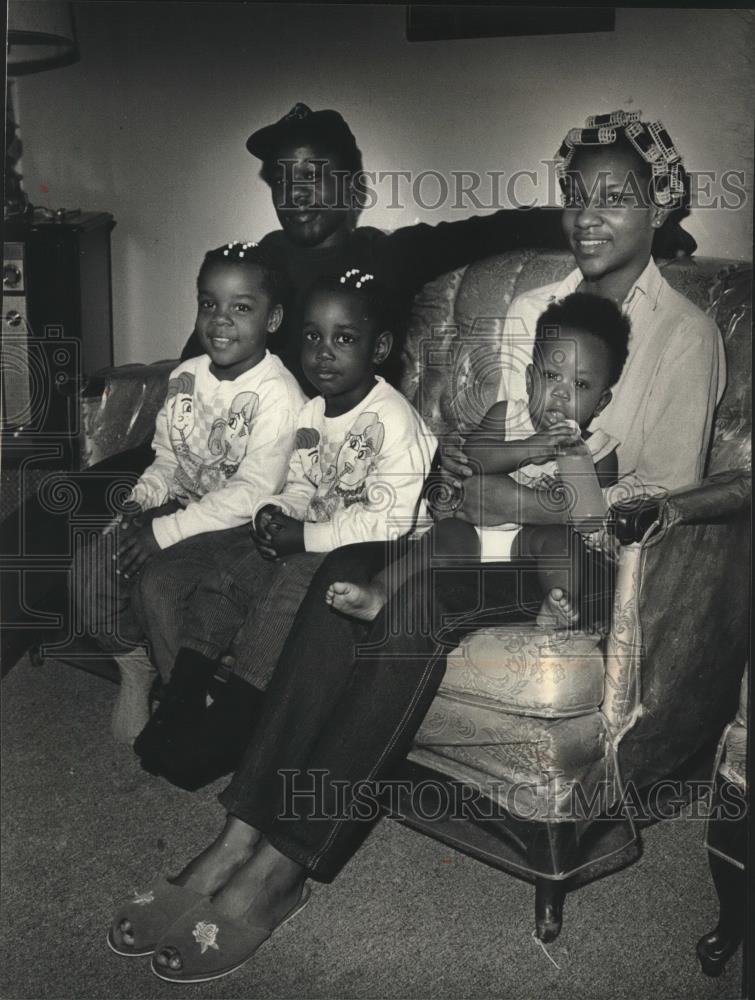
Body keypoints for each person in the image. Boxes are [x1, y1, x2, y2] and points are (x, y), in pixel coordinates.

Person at [107, 112, 725, 983]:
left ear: (658, 205)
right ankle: (237, 832)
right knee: (349, 571)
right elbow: (491, 436)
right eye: (575, 193)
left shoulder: (684, 335)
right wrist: (480, 476)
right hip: (480, 525)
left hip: (569, 556)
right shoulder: (527, 306)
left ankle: (282, 871)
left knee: (418, 600)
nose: (588, 213)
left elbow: (662, 497)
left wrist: (515, 495)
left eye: (615, 195)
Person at [0, 102, 566, 671]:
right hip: (206, 451)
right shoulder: (261, 261)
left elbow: (493, 228)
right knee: (56, 507)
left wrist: (601, 215)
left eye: (313, 175)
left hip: (290, 471)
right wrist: (165, 464)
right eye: (281, 179)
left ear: (353, 187)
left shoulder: (386, 255)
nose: (295, 194)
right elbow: (198, 365)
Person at [131, 270, 436, 786]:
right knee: (234, 567)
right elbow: (301, 482)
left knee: (290, 587)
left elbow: (389, 519)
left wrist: (304, 538)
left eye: (344, 339)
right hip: (320, 533)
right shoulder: (314, 411)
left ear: (379, 347)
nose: (323, 352)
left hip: (381, 547)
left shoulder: (394, 419)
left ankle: (234, 724)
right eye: (313, 336)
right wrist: (278, 511)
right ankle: (182, 696)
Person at [90, 241, 306, 742]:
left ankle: (185, 696)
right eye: (209, 304)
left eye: (241, 307)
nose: (221, 320)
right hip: (184, 506)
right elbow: (168, 457)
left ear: (272, 319)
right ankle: (135, 665)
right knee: (93, 563)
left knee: (159, 585)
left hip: (237, 527)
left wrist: (163, 532)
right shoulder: (185, 377)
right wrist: (141, 498)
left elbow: (253, 492)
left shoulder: (279, 395)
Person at [327, 292, 630, 629]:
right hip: (472, 531)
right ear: (529, 381)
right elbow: (475, 460)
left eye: (580, 384)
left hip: (529, 548)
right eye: (551, 377)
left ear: (600, 403)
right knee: (444, 538)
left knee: (562, 544)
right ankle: (381, 591)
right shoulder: (506, 416)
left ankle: (558, 602)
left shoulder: (601, 451)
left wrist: (574, 466)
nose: (561, 392)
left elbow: (594, 520)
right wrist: (528, 447)